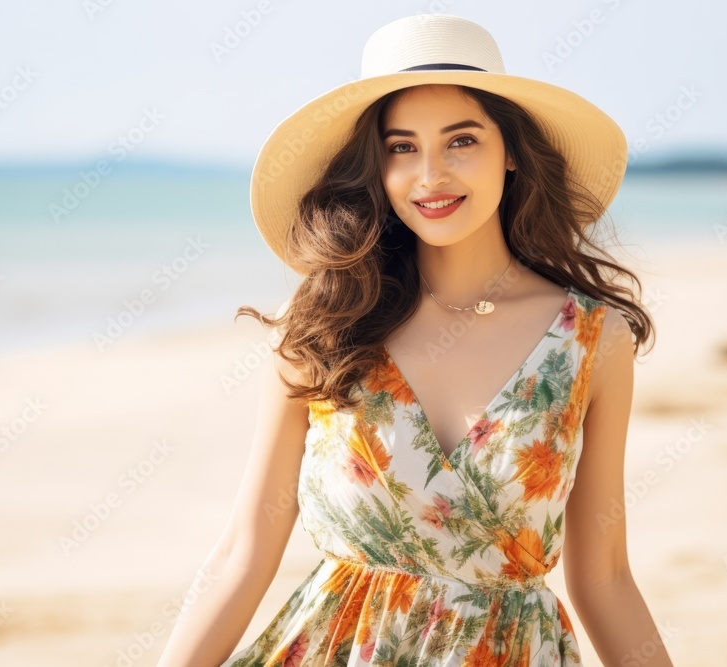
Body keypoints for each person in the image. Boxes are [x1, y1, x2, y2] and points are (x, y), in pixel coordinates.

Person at [158, 13, 673, 667]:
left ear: (509, 151)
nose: (430, 175)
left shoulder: (593, 341)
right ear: (376, 164)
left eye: (461, 141)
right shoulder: (323, 323)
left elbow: (603, 579)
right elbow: (242, 552)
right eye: (402, 147)